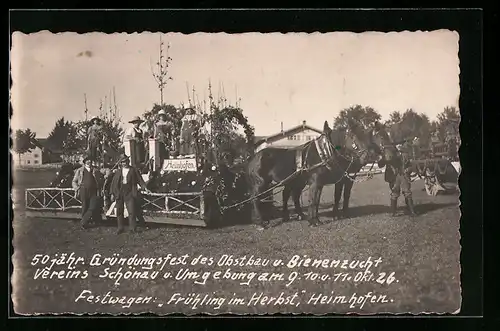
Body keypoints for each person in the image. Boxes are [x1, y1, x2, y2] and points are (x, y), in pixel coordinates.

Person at [110, 155, 151, 234]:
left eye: (125, 161)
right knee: (119, 211)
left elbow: (140, 180)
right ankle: (120, 227)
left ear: (128, 161)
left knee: (131, 211)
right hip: (120, 192)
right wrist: (112, 193)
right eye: (122, 162)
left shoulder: (133, 170)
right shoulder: (119, 171)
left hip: (130, 192)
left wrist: (145, 188)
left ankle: (132, 228)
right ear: (121, 163)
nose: (124, 163)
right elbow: (114, 183)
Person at [378, 145, 417, 217]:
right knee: (396, 193)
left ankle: (411, 211)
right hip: (394, 176)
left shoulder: (403, 154)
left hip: (402, 175)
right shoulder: (388, 153)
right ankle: (395, 212)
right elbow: (381, 164)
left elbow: (411, 165)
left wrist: (408, 170)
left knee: (405, 193)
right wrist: (381, 158)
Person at [72, 155, 105, 229]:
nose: (89, 162)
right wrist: (77, 188)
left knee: (92, 207)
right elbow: (74, 181)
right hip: (83, 190)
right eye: (87, 161)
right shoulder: (80, 170)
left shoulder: (95, 170)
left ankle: (83, 221)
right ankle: (84, 224)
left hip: (93, 191)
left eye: (90, 161)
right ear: (84, 162)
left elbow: (101, 177)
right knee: (84, 206)